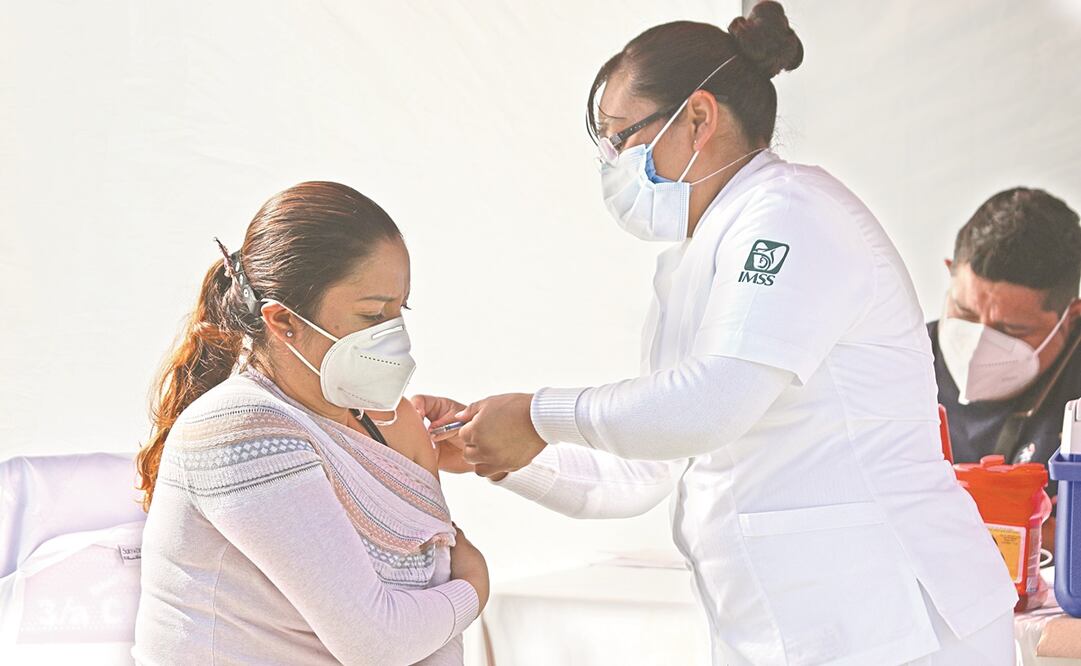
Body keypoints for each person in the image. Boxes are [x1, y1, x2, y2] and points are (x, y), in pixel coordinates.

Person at [416, 3, 1017, 665]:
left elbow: (708, 405)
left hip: (899, 622)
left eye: (620, 136)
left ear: (698, 117)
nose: (611, 162)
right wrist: (488, 445)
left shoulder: (791, 216)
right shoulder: (694, 260)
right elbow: (642, 472)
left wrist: (534, 414)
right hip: (798, 626)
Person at [132, 182, 487, 665]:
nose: (393, 335)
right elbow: (380, 642)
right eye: (371, 314)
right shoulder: (237, 427)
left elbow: (426, 598)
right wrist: (475, 587)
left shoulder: (390, 423)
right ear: (282, 322)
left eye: (397, 311)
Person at [930, 187, 1081, 548]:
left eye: (1012, 330)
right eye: (965, 313)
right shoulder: (900, 360)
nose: (979, 343)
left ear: (1071, 316)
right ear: (951, 273)